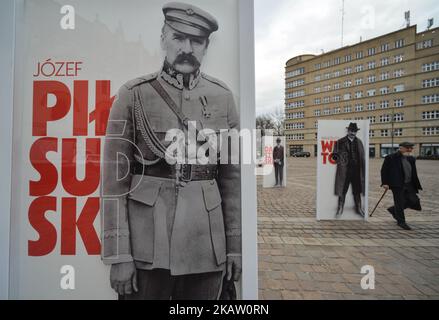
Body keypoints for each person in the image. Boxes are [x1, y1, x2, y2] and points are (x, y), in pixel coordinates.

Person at [101, 2, 241, 300]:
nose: (187, 47)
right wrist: (119, 255)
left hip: (207, 246)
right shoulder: (133, 94)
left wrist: (234, 248)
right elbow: (114, 182)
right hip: (146, 246)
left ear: (205, 46)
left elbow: (231, 181)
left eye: (197, 41)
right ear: (163, 38)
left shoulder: (223, 97)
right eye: (179, 37)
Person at [381, 142, 422, 230]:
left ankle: (393, 210)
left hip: (409, 184)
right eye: (408, 148)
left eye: (411, 148)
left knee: (414, 200)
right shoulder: (391, 157)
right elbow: (384, 170)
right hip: (397, 184)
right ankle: (401, 222)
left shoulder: (411, 159)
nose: (410, 150)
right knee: (399, 202)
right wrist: (385, 183)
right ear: (401, 148)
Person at [332, 122, 366, 217]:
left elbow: (362, 156)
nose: (353, 133)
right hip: (345, 170)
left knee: (357, 190)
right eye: (351, 131)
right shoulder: (340, 141)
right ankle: (340, 208)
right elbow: (334, 155)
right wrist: (338, 157)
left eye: (354, 131)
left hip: (356, 170)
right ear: (348, 130)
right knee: (342, 189)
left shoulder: (359, 142)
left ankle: (359, 208)